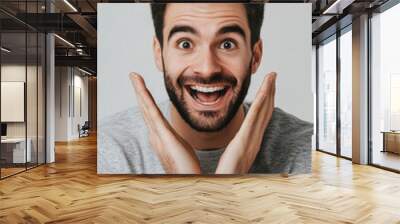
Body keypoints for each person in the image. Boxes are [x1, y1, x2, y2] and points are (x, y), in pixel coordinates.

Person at [98, 3, 313, 174]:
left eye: (227, 44)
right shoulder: (109, 147)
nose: (207, 69)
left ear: (255, 56)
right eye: (185, 44)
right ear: (159, 53)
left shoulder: (304, 146)